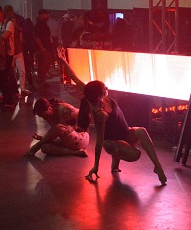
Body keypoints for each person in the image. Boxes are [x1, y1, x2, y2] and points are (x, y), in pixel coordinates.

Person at [58, 50, 168, 185]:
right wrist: (95, 166)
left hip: (124, 133)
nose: (107, 88)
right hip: (112, 141)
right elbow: (99, 142)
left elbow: (74, 77)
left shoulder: (91, 91)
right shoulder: (100, 114)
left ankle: (158, 166)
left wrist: (63, 61)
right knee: (135, 154)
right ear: (100, 95)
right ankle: (115, 158)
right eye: (105, 88)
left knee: (142, 131)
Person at [0, 4, 18, 108]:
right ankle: (6, 98)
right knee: (0, 78)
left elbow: (5, 36)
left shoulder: (9, 23)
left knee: (6, 77)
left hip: (7, 55)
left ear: (2, 12)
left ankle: (10, 101)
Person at [4, 5, 31, 97]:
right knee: (12, 73)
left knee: (22, 71)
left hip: (18, 49)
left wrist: (17, 27)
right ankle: (15, 90)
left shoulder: (19, 19)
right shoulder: (5, 22)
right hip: (10, 51)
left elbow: (26, 30)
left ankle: (22, 89)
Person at [33, 9, 53, 86]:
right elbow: (36, 37)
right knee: (43, 65)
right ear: (41, 15)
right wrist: (41, 48)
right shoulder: (38, 25)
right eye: (46, 14)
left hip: (45, 48)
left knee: (44, 65)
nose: (47, 16)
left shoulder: (44, 24)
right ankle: (40, 80)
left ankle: (41, 80)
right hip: (41, 49)